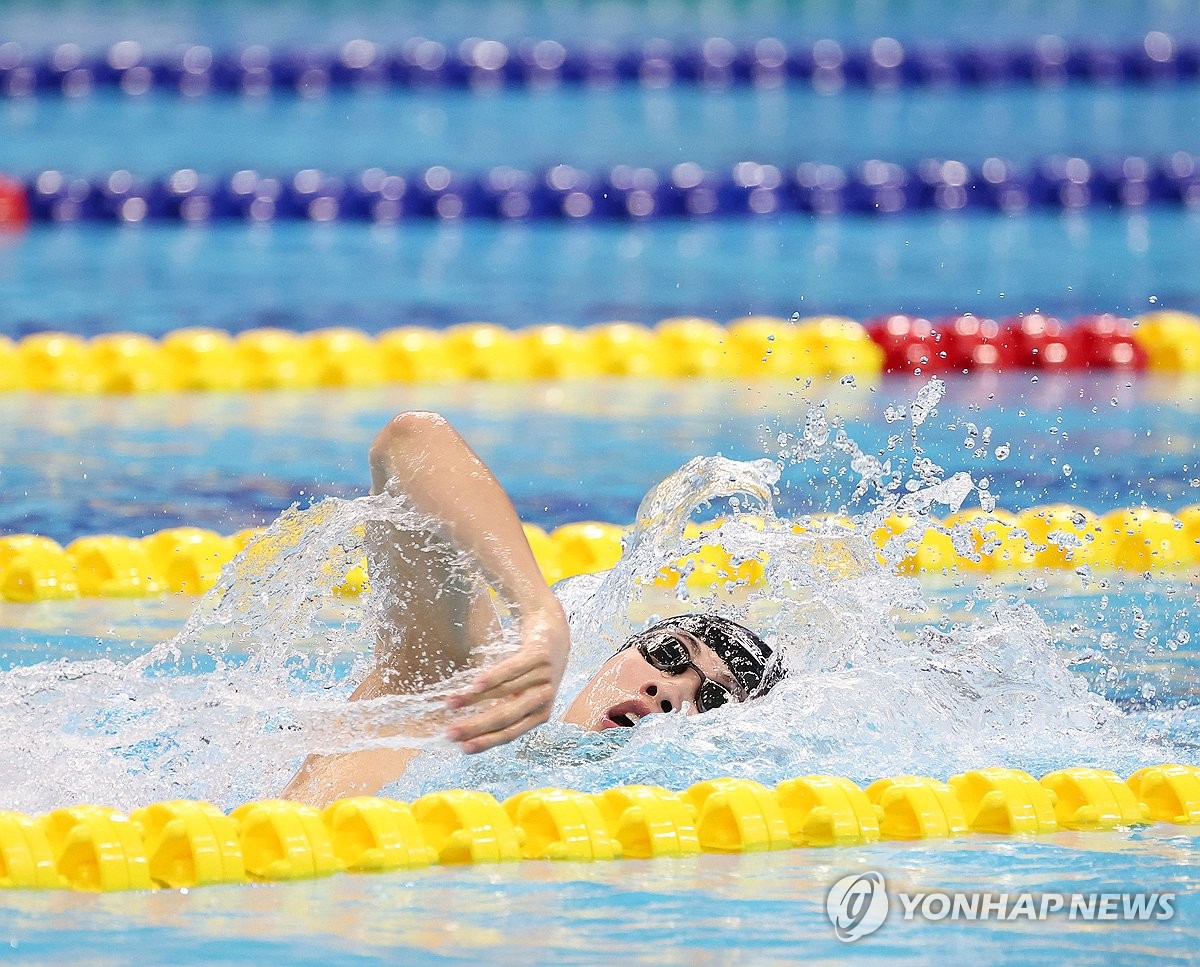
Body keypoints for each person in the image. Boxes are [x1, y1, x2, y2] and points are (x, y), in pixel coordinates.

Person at [283, 411, 784, 807]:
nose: (668, 691)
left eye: (713, 701)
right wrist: (541, 614)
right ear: (615, 654)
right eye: (669, 652)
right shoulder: (458, 694)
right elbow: (411, 442)